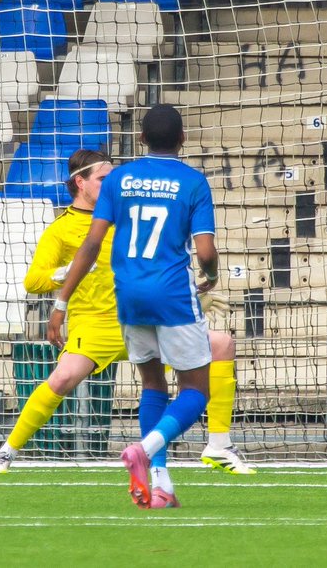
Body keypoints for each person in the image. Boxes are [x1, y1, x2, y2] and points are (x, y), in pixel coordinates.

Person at [0, 149, 253, 480]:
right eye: (102, 178)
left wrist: (191, 302)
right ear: (79, 182)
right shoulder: (62, 229)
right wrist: (67, 273)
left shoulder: (124, 215)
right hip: (94, 327)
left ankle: (219, 444)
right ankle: (6, 451)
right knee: (61, 379)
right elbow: (33, 280)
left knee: (222, 345)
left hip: (141, 319)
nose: (111, 182)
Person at [49, 105, 224, 509]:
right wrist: (211, 274)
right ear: (183, 139)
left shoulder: (120, 178)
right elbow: (205, 249)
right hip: (173, 296)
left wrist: (61, 303)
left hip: (127, 294)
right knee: (197, 389)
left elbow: (91, 245)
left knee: (152, 385)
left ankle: (160, 486)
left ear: (140, 139)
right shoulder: (194, 182)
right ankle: (145, 450)